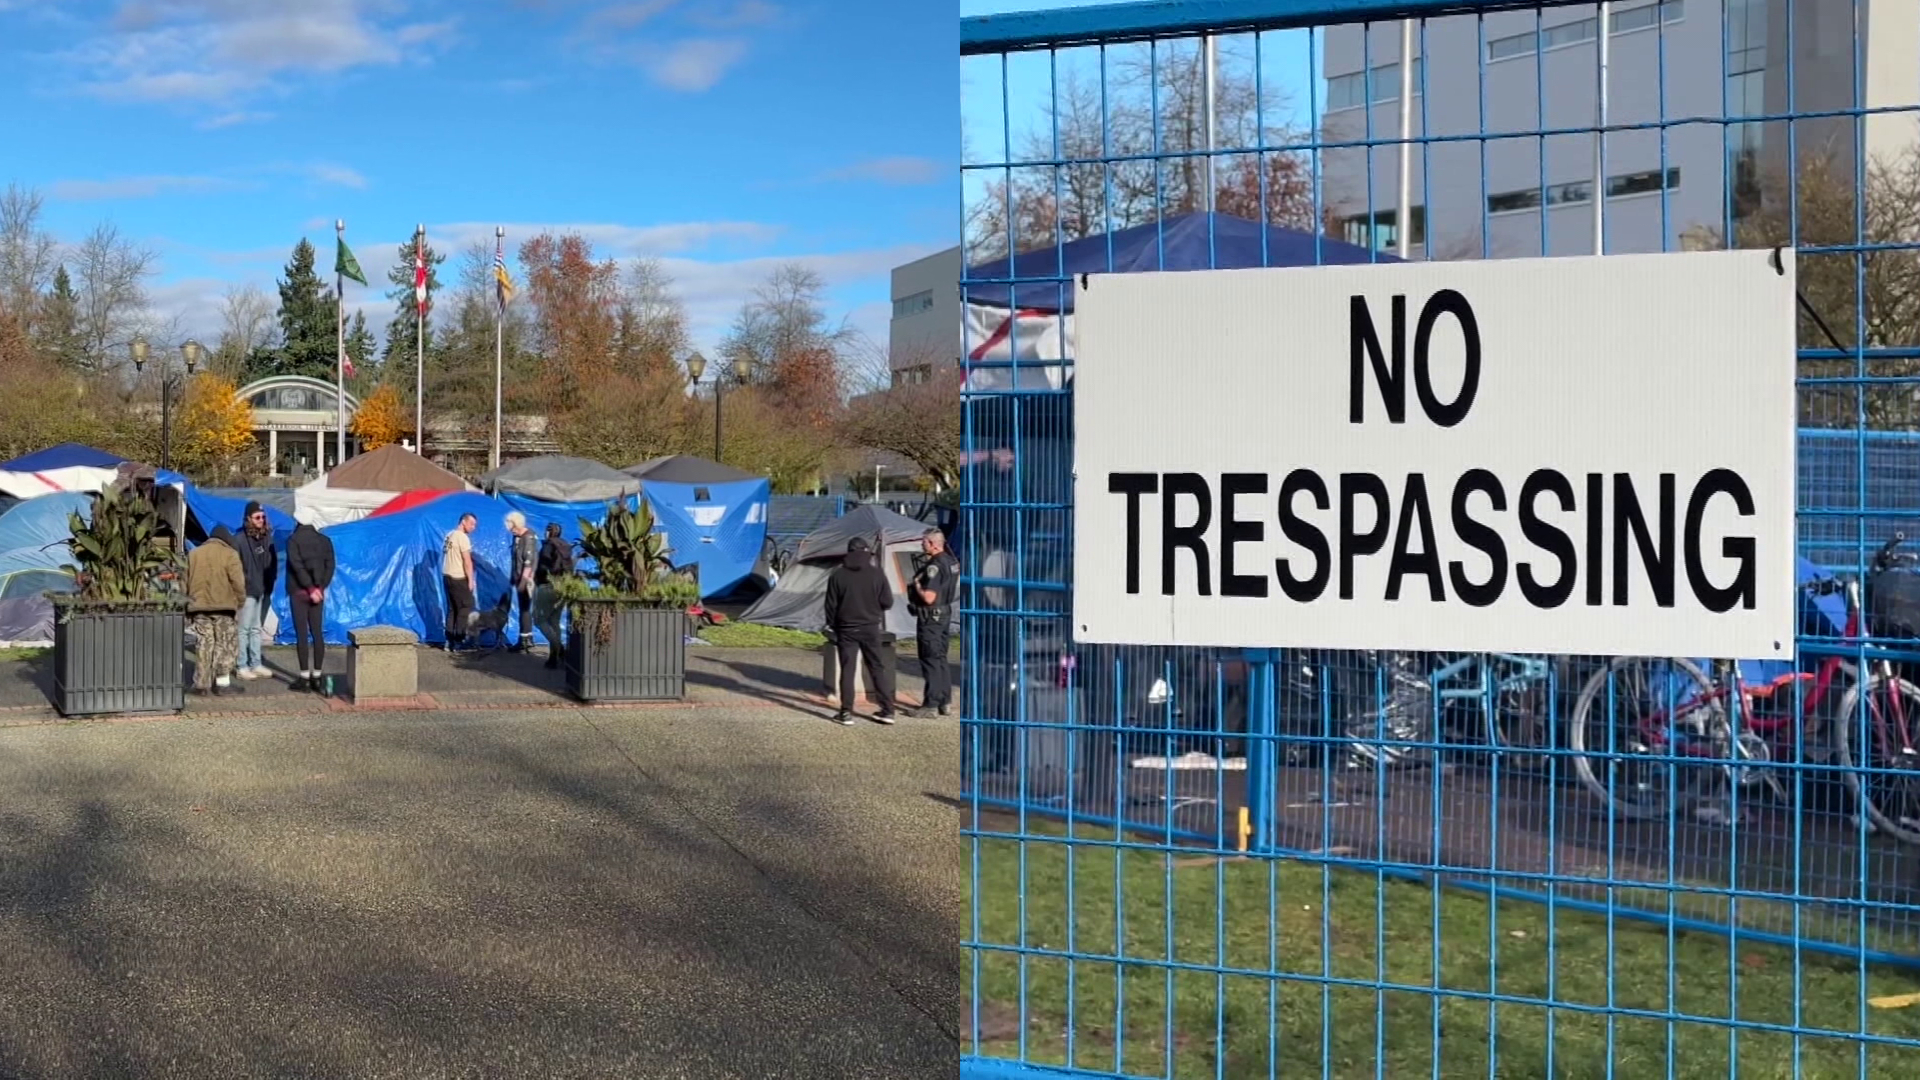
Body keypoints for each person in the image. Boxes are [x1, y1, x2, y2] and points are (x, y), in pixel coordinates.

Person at [823, 536, 897, 726]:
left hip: (846, 628)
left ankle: (846, 712)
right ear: (866, 552)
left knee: (848, 669)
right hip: (871, 627)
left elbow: (830, 606)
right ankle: (888, 710)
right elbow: (887, 602)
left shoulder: (837, 575)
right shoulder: (877, 574)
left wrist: (834, 624)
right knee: (877, 668)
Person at [185, 525, 247, 696]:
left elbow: (184, 581)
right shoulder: (230, 554)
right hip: (224, 608)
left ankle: (200, 685)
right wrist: (239, 602)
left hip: (199, 607)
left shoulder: (194, 554)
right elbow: (238, 583)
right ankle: (222, 683)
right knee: (225, 645)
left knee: (204, 644)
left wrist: (187, 606)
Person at [907, 527, 960, 718]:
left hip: (931, 617)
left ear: (931, 543)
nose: (921, 544)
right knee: (941, 659)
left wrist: (918, 586)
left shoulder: (934, 566)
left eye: (923, 542)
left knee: (930, 660)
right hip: (944, 613)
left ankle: (930, 704)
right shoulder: (952, 561)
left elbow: (929, 597)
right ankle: (944, 701)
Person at [284, 518, 336, 692]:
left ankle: (304, 678)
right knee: (317, 632)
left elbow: (296, 565)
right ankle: (318, 676)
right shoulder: (324, 540)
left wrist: (309, 587)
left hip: (299, 592)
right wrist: (319, 588)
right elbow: (330, 565)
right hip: (318, 593)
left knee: (302, 634)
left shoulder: (293, 540)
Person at [233, 502, 278, 680]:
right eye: (257, 517)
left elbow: (271, 563)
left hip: (263, 589)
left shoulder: (267, 537)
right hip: (247, 590)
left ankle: (256, 663)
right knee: (244, 629)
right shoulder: (239, 539)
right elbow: (236, 567)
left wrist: (270, 582)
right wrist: (243, 586)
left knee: (256, 628)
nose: (261, 520)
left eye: (263, 517)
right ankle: (241, 665)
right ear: (248, 519)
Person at [533, 522, 576, 669]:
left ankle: (559, 648)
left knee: (539, 620)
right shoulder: (565, 546)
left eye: (547, 530)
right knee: (554, 621)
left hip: (547, 586)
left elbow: (542, 567)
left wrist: (536, 580)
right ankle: (553, 658)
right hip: (562, 587)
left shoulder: (548, 546)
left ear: (549, 532)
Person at [442, 512, 478, 651]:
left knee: (452, 609)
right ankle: (459, 641)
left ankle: (449, 641)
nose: (473, 527)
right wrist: (471, 580)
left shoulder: (449, 535)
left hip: (447, 576)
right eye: (471, 524)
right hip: (458, 578)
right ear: (463, 522)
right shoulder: (462, 537)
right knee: (465, 608)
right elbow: (467, 561)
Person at [506, 510, 538, 652]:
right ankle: (526, 637)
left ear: (517, 525)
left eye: (512, 528)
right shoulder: (517, 538)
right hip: (518, 577)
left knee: (525, 609)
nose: (511, 532)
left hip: (527, 580)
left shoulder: (528, 537)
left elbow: (528, 562)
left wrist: (523, 581)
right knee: (523, 609)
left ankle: (525, 639)